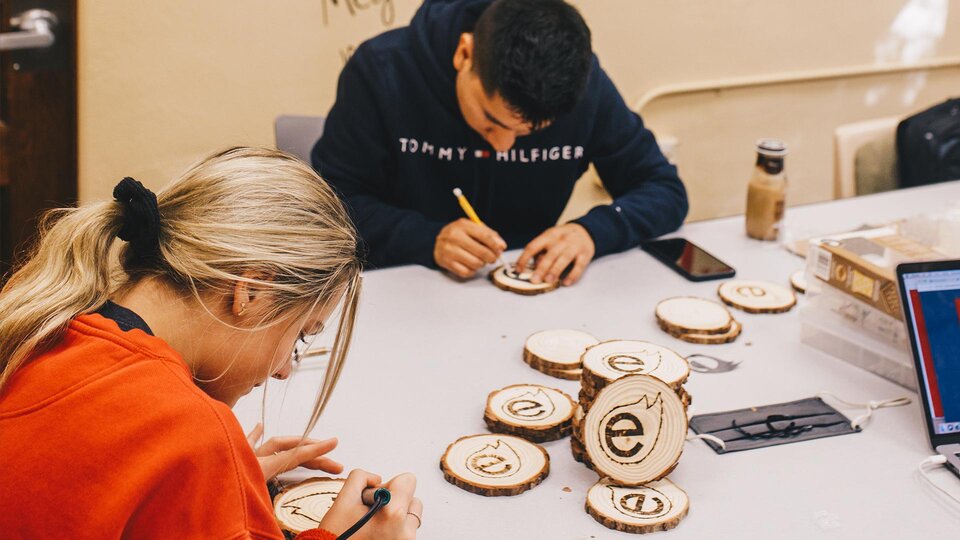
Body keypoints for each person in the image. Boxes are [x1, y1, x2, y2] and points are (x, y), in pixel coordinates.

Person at [0, 148, 422, 539]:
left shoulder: (37, 321)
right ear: (250, 291)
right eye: (300, 335)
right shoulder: (193, 435)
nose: (283, 370)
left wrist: (214, 491)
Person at [313, 0, 688, 286]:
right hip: (402, 288)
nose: (505, 146)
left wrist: (593, 232)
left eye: (528, 133)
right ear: (464, 54)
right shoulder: (382, 71)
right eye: (492, 121)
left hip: (526, 291)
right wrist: (426, 239)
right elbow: (332, 206)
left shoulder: (586, 87)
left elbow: (664, 190)